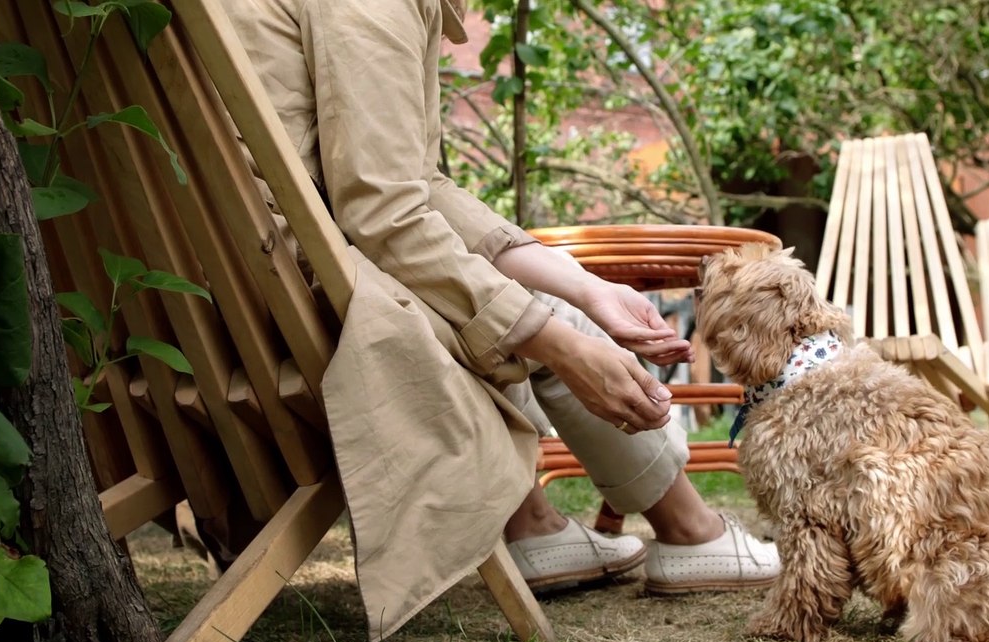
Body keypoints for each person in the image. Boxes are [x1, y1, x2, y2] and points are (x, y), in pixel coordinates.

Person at [225, 0, 779, 596]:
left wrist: (586, 286)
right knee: (525, 316)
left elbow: (415, 187)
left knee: (537, 300)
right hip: (292, 302)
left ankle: (537, 527)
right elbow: (384, 212)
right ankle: (689, 532)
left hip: (233, 292)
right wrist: (563, 344)